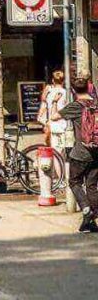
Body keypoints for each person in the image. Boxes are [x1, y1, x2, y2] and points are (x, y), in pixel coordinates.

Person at [51, 76, 98, 233]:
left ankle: (86, 209)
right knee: (92, 185)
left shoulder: (76, 106)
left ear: (73, 91)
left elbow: (54, 117)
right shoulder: (96, 104)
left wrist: (54, 102)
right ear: (89, 88)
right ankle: (91, 220)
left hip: (81, 152)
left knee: (74, 181)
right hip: (97, 151)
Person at [40, 70, 68, 151]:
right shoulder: (66, 93)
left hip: (52, 123)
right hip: (63, 122)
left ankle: (55, 162)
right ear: (63, 81)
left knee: (53, 148)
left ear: (52, 80)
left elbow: (44, 101)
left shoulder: (50, 92)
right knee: (62, 148)